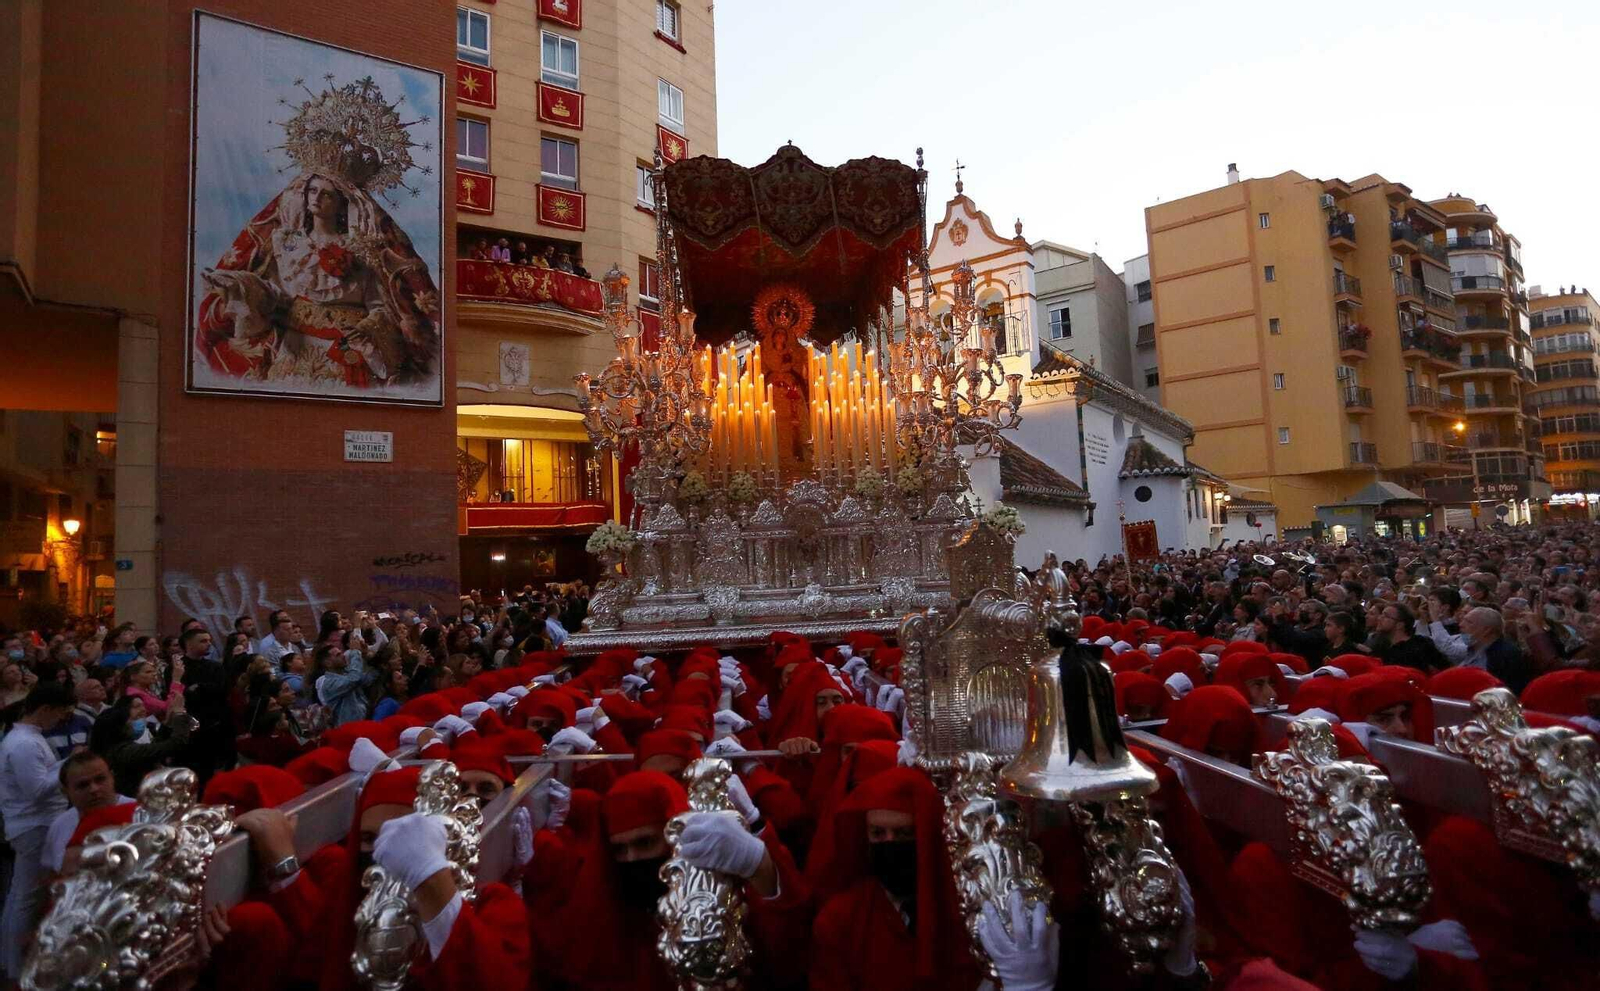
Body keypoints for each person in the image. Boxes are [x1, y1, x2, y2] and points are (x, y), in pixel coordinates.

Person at [0, 682, 78, 979]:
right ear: (45, 710)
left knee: (20, 895)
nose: (60, 720)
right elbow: (36, 790)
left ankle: (11, 962)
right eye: (59, 714)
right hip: (34, 824)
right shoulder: (24, 743)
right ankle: (17, 966)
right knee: (26, 898)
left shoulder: (27, 739)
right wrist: (69, 764)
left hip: (33, 823)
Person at [42, 751, 133, 875]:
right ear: (65, 791)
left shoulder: (141, 814)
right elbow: (53, 876)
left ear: (112, 778)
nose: (94, 789)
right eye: (83, 785)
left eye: (100, 779)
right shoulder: (59, 827)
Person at [90, 696, 194, 797]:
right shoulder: (124, 752)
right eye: (130, 721)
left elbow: (152, 751)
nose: (132, 724)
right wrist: (180, 714)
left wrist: (167, 724)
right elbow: (175, 744)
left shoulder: (119, 749)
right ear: (118, 728)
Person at [1459, 607, 1533, 694]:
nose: (1461, 625)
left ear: (1486, 630)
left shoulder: (1505, 655)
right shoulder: (1473, 649)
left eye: (1469, 622)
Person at [1373, 601, 1448, 674]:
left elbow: (1444, 668)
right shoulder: (1381, 645)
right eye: (1381, 614)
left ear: (1400, 625)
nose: (1379, 618)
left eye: (1385, 616)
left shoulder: (1420, 645)